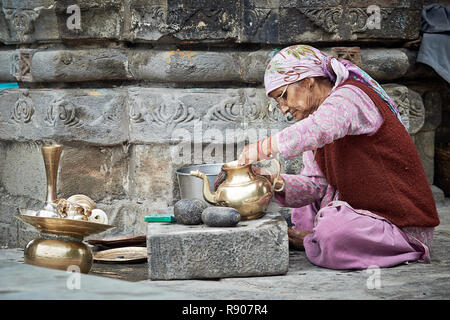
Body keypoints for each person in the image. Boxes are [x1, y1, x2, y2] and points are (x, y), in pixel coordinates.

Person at [237, 45, 440, 270]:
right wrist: (270, 182)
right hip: (362, 215)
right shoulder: (314, 123)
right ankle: (317, 238)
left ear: (307, 82)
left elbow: (321, 127)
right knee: (305, 210)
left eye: (283, 96)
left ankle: (319, 239)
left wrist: (263, 147)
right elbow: (314, 185)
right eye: (278, 103)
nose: (284, 109)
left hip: (399, 224)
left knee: (332, 229)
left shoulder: (351, 96)